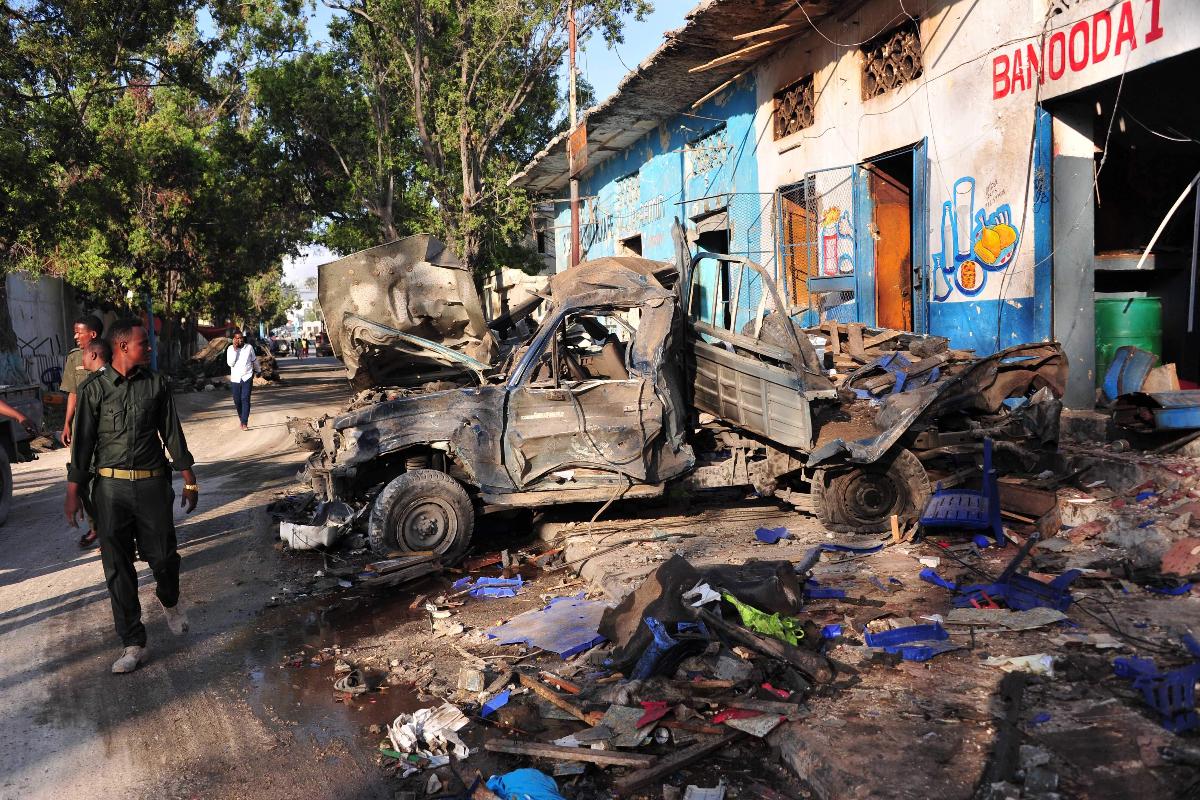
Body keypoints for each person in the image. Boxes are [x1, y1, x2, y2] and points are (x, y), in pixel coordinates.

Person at [64, 319, 199, 674]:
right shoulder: (94, 389)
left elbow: (172, 432)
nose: (150, 348)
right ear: (123, 347)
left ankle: (169, 599)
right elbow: (82, 445)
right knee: (117, 567)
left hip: (152, 486)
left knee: (164, 558)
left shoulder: (156, 384)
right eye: (144, 343)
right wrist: (73, 492)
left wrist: (189, 478)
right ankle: (133, 642)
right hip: (110, 490)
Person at [72, 338, 113, 550]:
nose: (82, 358)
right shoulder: (93, 382)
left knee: (97, 495)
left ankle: (108, 535)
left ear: (94, 355)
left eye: (85, 354)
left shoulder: (95, 385)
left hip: (101, 454)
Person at [60, 315, 104, 446]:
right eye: (75, 333)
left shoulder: (110, 353)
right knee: (79, 454)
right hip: (81, 420)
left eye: (79, 333)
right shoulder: (74, 357)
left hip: (106, 419)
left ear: (93, 334)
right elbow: (73, 393)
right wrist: (67, 424)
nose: (75, 337)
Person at [226, 330, 260, 431]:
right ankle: (242, 419)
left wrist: (258, 370)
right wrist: (235, 350)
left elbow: (254, 360)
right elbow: (230, 363)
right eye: (238, 338)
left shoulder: (249, 347)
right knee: (237, 401)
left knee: (245, 398)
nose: (240, 340)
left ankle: (244, 422)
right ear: (234, 339)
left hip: (247, 377)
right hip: (235, 378)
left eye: (241, 338)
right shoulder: (230, 349)